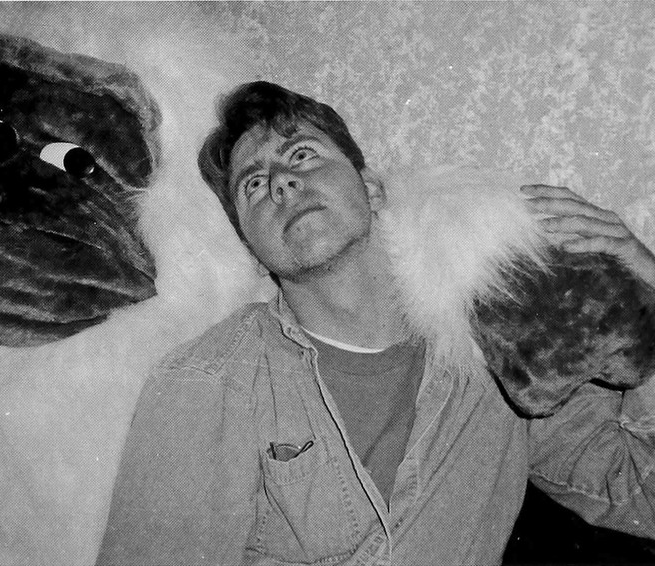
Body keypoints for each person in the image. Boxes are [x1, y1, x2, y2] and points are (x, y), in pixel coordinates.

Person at [95, 81, 655, 565]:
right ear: (253, 249)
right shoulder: (204, 383)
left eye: (302, 155)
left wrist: (650, 294)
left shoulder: (493, 346)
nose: (281, 182)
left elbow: (639, 491)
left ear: (371, 188)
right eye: (254, 185)